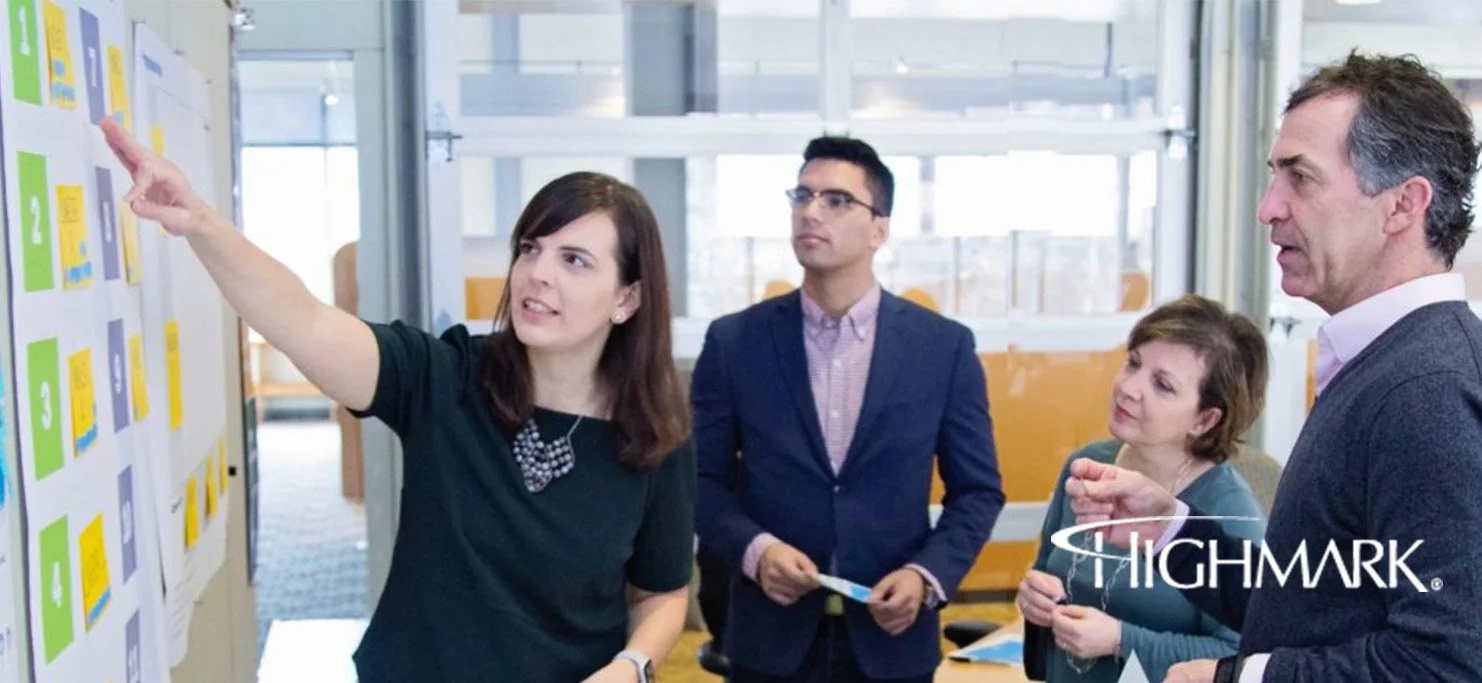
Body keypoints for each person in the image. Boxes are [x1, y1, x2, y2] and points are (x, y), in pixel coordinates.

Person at [99, 116, 695, 683]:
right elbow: (306, 322)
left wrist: (633, 665)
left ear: (627, 300)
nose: (538, 274)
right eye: (530, 249)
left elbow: (661, 592)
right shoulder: (449, 376)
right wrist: (201, 222)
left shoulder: (653, 435)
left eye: (575, 261)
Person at [1064, 51, 1482, 683]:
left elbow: (1448, 662)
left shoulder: (1427, 389)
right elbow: (1321, 593)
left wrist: (1238, 677)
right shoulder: (1388, 362)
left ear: (1402, 205)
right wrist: (1173, 530)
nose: (1267, 208)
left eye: (1301, 179)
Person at [692, 135, 1005, 682]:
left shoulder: (943, 348)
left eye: (837, 200)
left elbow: (978, 491)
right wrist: (756, 550)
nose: (811, 211)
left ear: (878, 229)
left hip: (892, 644)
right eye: (802, 196)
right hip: (769, 642)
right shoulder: (735, 342)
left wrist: (926, 576)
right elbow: (697, 480)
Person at [1018, 295, 1268, 683]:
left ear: (1205, 419)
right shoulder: (1087, 464)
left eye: (1162, 385)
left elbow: (1241, 657)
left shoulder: (1229, 512)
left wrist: (1121, 639)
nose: (1129, 388)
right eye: (1133, 362)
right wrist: (1035, 598)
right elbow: (1046, 568)